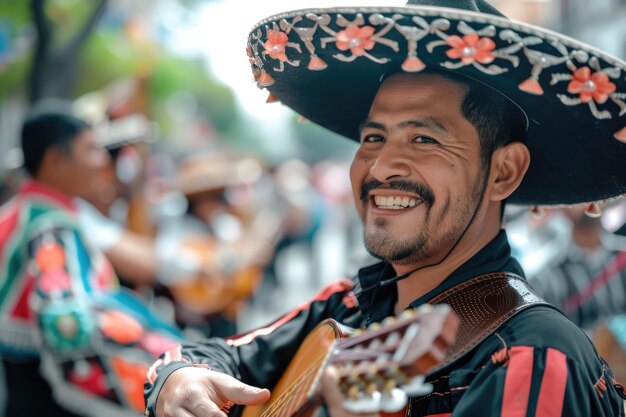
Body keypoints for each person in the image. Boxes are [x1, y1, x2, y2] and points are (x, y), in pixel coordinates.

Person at [144, 1, 626, 416]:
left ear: (503, 172)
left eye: (423, 138)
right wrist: (177, 380)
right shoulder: (348, 304)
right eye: (373, 136)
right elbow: (211, 354)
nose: (381, 164)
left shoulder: (535, 358)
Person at [0, 109, 182, 417]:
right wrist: (163, 368)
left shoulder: (21, 211)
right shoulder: (49, 229)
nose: (101, 161)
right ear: (55, 160)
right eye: (90, 149)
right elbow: (67, 327)